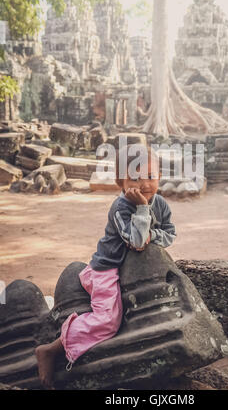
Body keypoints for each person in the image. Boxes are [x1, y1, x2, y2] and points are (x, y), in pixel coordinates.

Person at [35, 144, 176, 389]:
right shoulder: (121, 207)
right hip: (106, 270)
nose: (145, 184)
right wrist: (143, 210)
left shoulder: (161, 204)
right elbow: (137, 242)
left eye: (151, 176)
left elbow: (170, 235)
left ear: (160, 176)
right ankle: (51, 349)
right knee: (108, 321)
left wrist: (153, 234)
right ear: (120, 181)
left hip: (128, 270)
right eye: (135, 177)